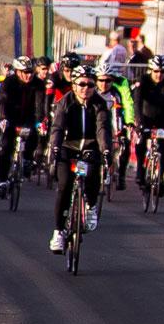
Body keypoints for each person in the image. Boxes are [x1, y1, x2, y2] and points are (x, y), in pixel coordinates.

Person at [47, 65, 114, 253]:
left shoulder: (99, 104)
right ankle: (58, 232)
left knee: (93, 175)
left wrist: (106, 150)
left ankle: (91, 206)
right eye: (82, 84)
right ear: (74, 85)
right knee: (65, 185)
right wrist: (54, 148)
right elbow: (58, 128)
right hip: (67, 148)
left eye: (90, 85)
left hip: (90, 147)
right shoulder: (65, 102)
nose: (86, 89)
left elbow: (102, 129)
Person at [0, 56, 46, 198]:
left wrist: (40, 121)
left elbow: (40, 105)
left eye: (31, 72)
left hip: (28, 117)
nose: (29, 75)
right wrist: (3, 118)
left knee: (34, 135)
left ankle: (27, 159)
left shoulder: (38, 84)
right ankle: (2, 182)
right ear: (17, 72)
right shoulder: (8, 82)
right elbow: (2, 102)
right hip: (11, 117)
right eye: (25, 72)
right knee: (6, 148)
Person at [131, 55, 164, 188]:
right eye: (156, 71)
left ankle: (160, 178)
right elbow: (137, 103)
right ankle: (140, 170)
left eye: (162, 72)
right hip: (146, 117)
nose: (159, 75)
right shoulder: (143, 80)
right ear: (150, 70)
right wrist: (139, 122)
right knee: (141, 141)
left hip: (163, 119)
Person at [96, 65, 136, 189]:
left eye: (108, 80)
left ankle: (121, 175)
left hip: (115, 121)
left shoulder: (116, 93)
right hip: (96, 123)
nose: (104, 84)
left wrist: (129, 122)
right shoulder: (93, 91)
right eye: (101, 80)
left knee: (125, 144)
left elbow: (127, 105)